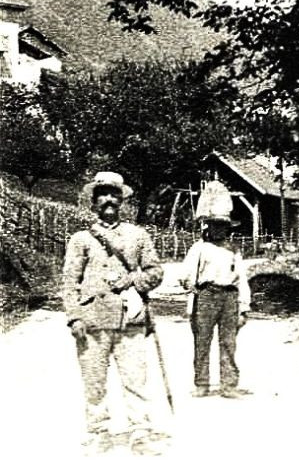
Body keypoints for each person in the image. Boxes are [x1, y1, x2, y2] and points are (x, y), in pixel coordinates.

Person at [60, 171, 168, 455]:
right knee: (94, 381)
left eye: (113, 194)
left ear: (121, 200)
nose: (108, 200)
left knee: (135, 379)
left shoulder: (137, 235)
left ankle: (140, 433)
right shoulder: (80, 239)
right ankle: (98, 431)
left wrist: (132, 280)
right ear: (93, 202)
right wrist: (74, 317)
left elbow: (156, 272)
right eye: (102, 195)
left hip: (129, 319)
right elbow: (70, 281)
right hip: (92, 320)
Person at [178, 209, 251, 398]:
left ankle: (229, 385)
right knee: (202, 340)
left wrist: (243, 306)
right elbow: (185, 273)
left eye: (223, 226)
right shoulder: (199, 248)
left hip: (229, 296)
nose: (219, 229)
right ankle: (202, 383)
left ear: (228, 228)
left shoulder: (233, 249)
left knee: (228, 342)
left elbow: (241, 277)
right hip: (206, 295)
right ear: (208, 226)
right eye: (215, 225)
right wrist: (189, 285)